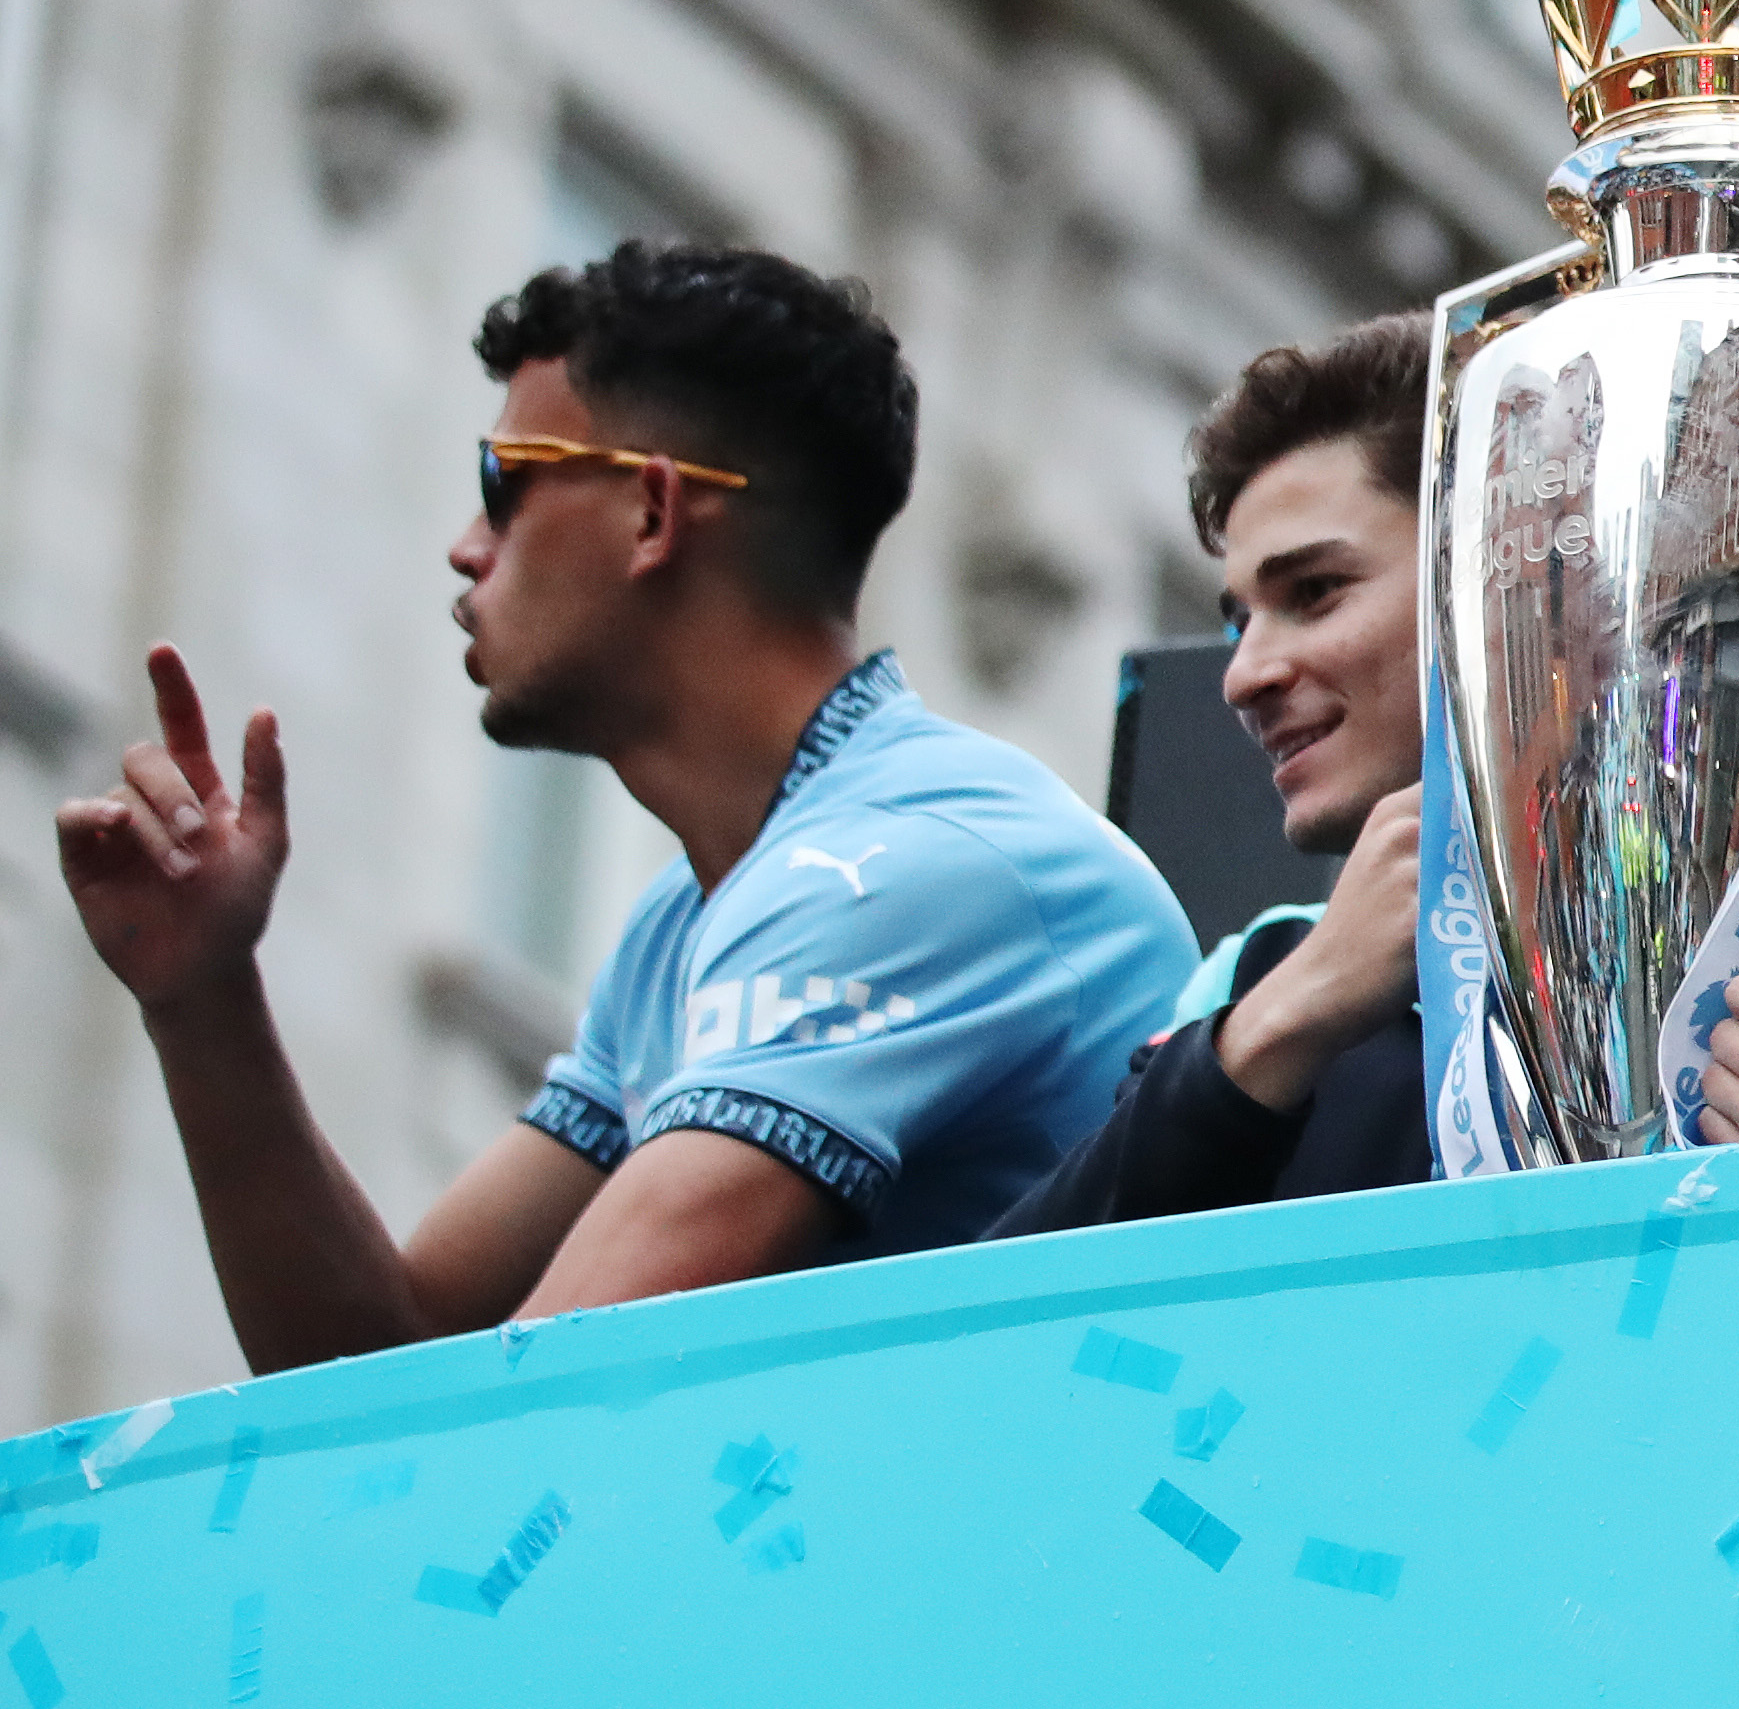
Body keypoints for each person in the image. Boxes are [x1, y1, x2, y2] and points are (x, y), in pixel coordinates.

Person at [53, 244, 1193, 1371]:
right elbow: (379, 1357)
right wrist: (203, 995)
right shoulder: (696, 915)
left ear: (652, 511)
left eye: (506, 484)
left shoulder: (906, 865)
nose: (465, 546)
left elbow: (524, 1408)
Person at [988, 315, 1739, 1237]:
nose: (1243, 673)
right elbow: (981, 1337)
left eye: (1315, 591)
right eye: (1237, 618)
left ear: (1506, 578)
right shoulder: (1257, 982)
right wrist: (1278, 1026)